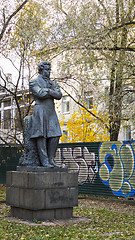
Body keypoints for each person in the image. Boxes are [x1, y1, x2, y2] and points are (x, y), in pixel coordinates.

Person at [29, 61, 62, 167]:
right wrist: (51, 92)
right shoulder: (34, 82)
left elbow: (59, 95)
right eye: (46, 70)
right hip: (40, 111)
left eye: (49, 70)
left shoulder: (53, 83)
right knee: (41, 135)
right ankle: (45, 161)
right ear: (41, 70)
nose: (48, 72)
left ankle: (51, 159)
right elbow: (40, 94)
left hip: (51, 111)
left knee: (55, 135)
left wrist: (48, 90)